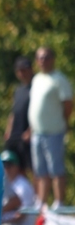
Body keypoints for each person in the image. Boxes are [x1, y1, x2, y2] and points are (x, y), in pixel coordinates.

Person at [28, 46, 72, 208]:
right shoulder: (36, 79)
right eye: (40, 57)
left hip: (54, 131)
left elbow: (68, 104)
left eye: (46, 57)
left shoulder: (59, 79)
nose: (43, 61)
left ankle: (59, 202)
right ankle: (42, 201)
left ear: (53, 59)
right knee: (40, 170)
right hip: (37, 132)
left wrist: (62, 121)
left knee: (56, 168)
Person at [0, 149, 37, 225]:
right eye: (4, 165)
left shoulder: (23, 186)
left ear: (17, 166)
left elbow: (22, 215)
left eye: (9, 165)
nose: (6, 168)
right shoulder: (6, 183)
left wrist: (1, 222)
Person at [4, 56, 33, 174]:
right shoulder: (18, 90)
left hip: (27, 134)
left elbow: (39, 112)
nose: (22, 73)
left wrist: (31, 130)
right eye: (19, 70)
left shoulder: (36, 87)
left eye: (24, 70)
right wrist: (8, 130)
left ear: (30, 69)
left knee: (31, 168)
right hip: (15, 134)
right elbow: (14, 111)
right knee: (15, 167)